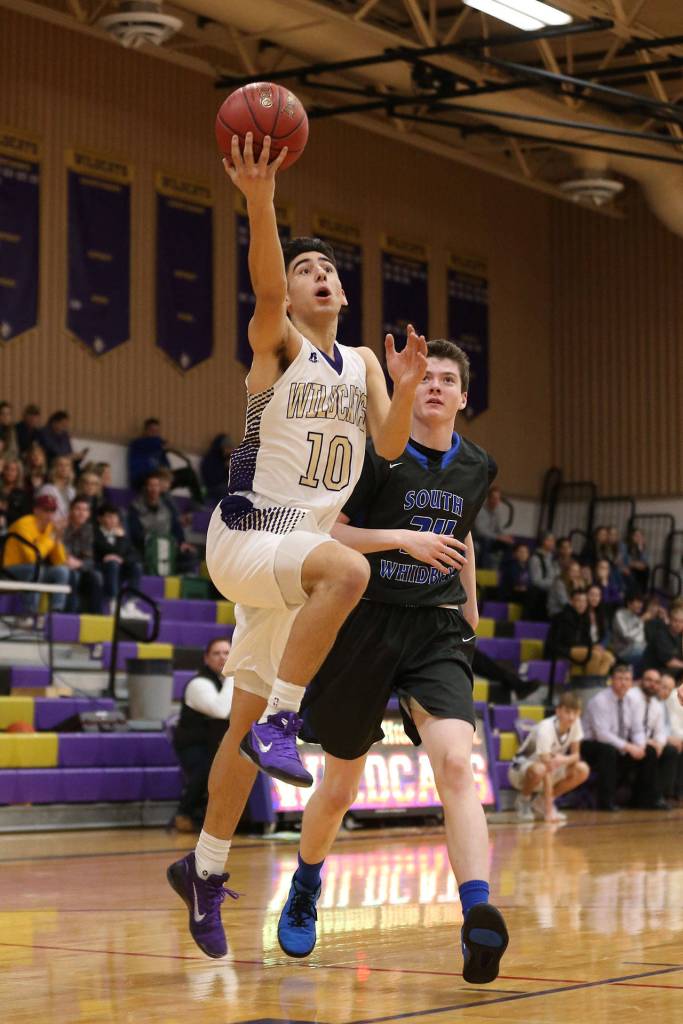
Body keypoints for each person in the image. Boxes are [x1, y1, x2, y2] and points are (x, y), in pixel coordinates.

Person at [166, 131, 429, 961]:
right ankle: (286, 718)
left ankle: (204, 868)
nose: (320, 277)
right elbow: (268, 285)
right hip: (251, 529)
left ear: (345, 296)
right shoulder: (276, 344)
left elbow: (386, 449)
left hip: (296, 559)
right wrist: (258, 200)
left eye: (330, 271)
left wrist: (411, 385)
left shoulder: (360, 363)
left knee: (239, 730)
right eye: (309, 269)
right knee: (349, 571)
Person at [276, 338, 509, 984]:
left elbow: (457, 539)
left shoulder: (477, 466)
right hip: (363, 625)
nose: (433, 385)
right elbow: (327, 534)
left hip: (435, 629)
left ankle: (476, 913)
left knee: (457, 764)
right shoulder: (378, 454)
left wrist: (470, 605)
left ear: (464, 397)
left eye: (446, 379)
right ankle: (305, 882)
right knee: (340, 789)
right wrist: (399, 538)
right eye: (425, 376)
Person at [173, 637, 234, 833]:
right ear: (206, 659)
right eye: (216, 653)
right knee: (207, 766)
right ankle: (184, 813)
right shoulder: (199, 683)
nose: (222, 658)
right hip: (194, 743)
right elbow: (221, 710)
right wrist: (234, 675)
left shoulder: (224, 682)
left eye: (227, 653)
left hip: (215, 742)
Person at [581, 663, 657, 810]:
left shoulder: (632, 701)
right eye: (620, 678)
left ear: (632, 682)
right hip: (592, 745)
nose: (624, 682)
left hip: (617, 743)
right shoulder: (600, 700)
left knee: (649, 751)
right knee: (608, 751)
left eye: (627, 679)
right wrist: (629, 747)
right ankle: (605, 802)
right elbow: (601, 734)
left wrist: (640, 746)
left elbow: (637, 729)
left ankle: (642, 801)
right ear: (612, 680)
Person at [509, 692, 588, 822]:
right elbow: (547, 768)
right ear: (558, 711)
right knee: (540, 769)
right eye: (567, 712)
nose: (571, 717)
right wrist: (550, 810)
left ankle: (541, 803)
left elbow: (576, 755)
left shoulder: (576, 723)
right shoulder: (546, 728)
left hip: (550, 765)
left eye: (575, 713)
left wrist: (563, 759)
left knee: (582, 769)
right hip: (520, 769)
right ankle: (524, 800)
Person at [1, 494, 70, 620]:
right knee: (36, 570)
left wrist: (58, 539)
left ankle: (56, 614)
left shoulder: (50, 527)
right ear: (36, 510)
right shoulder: (24, 524)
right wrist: (51, 538)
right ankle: (29, 614)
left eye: (52, 511)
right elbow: (32, 558)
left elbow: (59, 561)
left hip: (33, 569)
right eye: (46, 510)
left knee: (62, 571)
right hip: (10, 569)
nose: (49, 514)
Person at [128, 472, 197, 574]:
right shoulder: (135, 507)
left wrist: (182, 542)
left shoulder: (168, 506)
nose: (154, 489)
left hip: (169, 544)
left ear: (160, 488)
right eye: (151, 485)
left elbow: (176, 527)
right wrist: (151, 541)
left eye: (156, 485)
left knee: (190, 554)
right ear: (145, 488)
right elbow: (135, 532)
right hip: (146, 546)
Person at [629, 668, 677, 809]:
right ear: (641, 681)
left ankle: (660, 795)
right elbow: (633, 728)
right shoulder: (632, 697)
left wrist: (660, 744)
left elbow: (660, 730)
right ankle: (645, 799)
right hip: (631, 740)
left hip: (647, 741)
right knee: (650, 751)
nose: (652, 685)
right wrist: (649, 742)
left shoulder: (655, 703)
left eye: (656, 682)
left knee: (670, 751)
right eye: (649, 680)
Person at [127, 417, 204, 503]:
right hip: (143, 479)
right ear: (145, 431)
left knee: (188, 474)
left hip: (162, 478)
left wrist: (167, 473)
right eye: (151, 430)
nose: (154, 433)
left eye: (157, 431)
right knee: (161, 476)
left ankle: (198, 504)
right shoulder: (138, 444)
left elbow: (167, 467)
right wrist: (180, 455)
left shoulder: (160, 449)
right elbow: (158, 443)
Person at [544, 588, 615, 678]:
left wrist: (594, 646)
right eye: (579, 601)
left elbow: (586, 639)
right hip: (560, 650)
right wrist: (592, 647)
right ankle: (589, 687)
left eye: (585, 602)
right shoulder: (564, 617)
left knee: (608, 657)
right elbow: (570, 641)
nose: (582, 604)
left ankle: (597, 686)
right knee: (594, 655)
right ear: (571, 601)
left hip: (577, 649)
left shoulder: (583, 617)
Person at [93, 504, 142, 611]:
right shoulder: (95, 533)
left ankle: (131, 603)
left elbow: (135, 555)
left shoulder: (121, 534)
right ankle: (114, 602)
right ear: (100, 519)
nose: (113, 520)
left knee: (136, 566)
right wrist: (121, 540)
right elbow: (105, 550)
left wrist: (122, 559)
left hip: (118, 566)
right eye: (109, 516)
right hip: (100, 565)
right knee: (113, 564)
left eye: (115, 517)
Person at [63, 498, 104, 614]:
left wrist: (79, 563)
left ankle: (96, 618)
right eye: (78, 509)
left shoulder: (90, 530)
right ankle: (69, 616)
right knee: (73, 575)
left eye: (85, 510)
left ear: (89, 514)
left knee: (96, 576)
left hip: (80, 567)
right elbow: (59, 551)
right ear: (70, 511)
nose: (81, 513)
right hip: (62, 565)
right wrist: (69, 561)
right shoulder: (62, 527)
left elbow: (90, 560)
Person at [472, 485, 513, 568]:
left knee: (509, 544)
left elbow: (499, 528)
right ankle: (483, 570)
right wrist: (498, 537)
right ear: (489, 498)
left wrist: (505, 537)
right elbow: (480, 531)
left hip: (492, 538)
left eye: (498, 499)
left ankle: (503, 572)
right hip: (478, 537)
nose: (496, 501)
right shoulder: (480, 509)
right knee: (486, 542)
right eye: (494, 498)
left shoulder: (497, 511)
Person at [659, 672, 683, 801]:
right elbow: (673, 726)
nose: (666, 691)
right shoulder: (674, 697)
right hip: (669, 737)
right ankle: (670, 793)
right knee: (674, 749)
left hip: (670, 736)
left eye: (668, 688)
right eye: (663, 687)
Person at [527, 531, 559, 619]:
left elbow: (557, 574)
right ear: (544, 541)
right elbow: (536, 581)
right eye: (551, 540)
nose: (553, 543)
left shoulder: (554, 558)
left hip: (552, 592)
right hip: (541, 594)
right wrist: (553, 586)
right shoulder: (535, 558)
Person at [37, 454, 75, 527]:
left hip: (68, 529)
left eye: (67, 465)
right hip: (50, 528)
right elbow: (42, 513)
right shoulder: (47, 489)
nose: (64, 468)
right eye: (60, 465)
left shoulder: (72, 490)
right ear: (55, 468)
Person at [611, 593, 648, 666]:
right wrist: (641, 621)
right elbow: (626, 635)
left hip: (637, 649)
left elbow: (641, 639)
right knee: (643, 650)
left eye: (641, 602)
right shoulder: (620, 614)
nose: (640, 605)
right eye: (638, 602)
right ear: (629, 603)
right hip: (623, 650)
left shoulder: (637, 618)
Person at [201, 434, 233, 503]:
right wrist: (225, 467)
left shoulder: (226, 458)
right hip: (212, 487)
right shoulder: (210, 458)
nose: (228, 450)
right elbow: (212, 479)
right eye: (226, 447)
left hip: (223, 486)